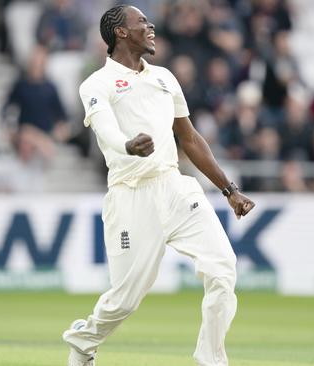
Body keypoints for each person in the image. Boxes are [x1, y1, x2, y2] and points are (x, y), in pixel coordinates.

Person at [62, 5, 255, 366]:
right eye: (141, 23)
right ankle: (82, 341)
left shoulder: (165, 77)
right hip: (131, 193)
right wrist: (127, 146)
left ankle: (212, 359)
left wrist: (229, 190)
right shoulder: (97, 83)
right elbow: (104, 128)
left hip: (175, 186)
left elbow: (190, 138)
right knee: (125, 299)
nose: (150, 27)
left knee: (223, 267)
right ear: (120, 32)